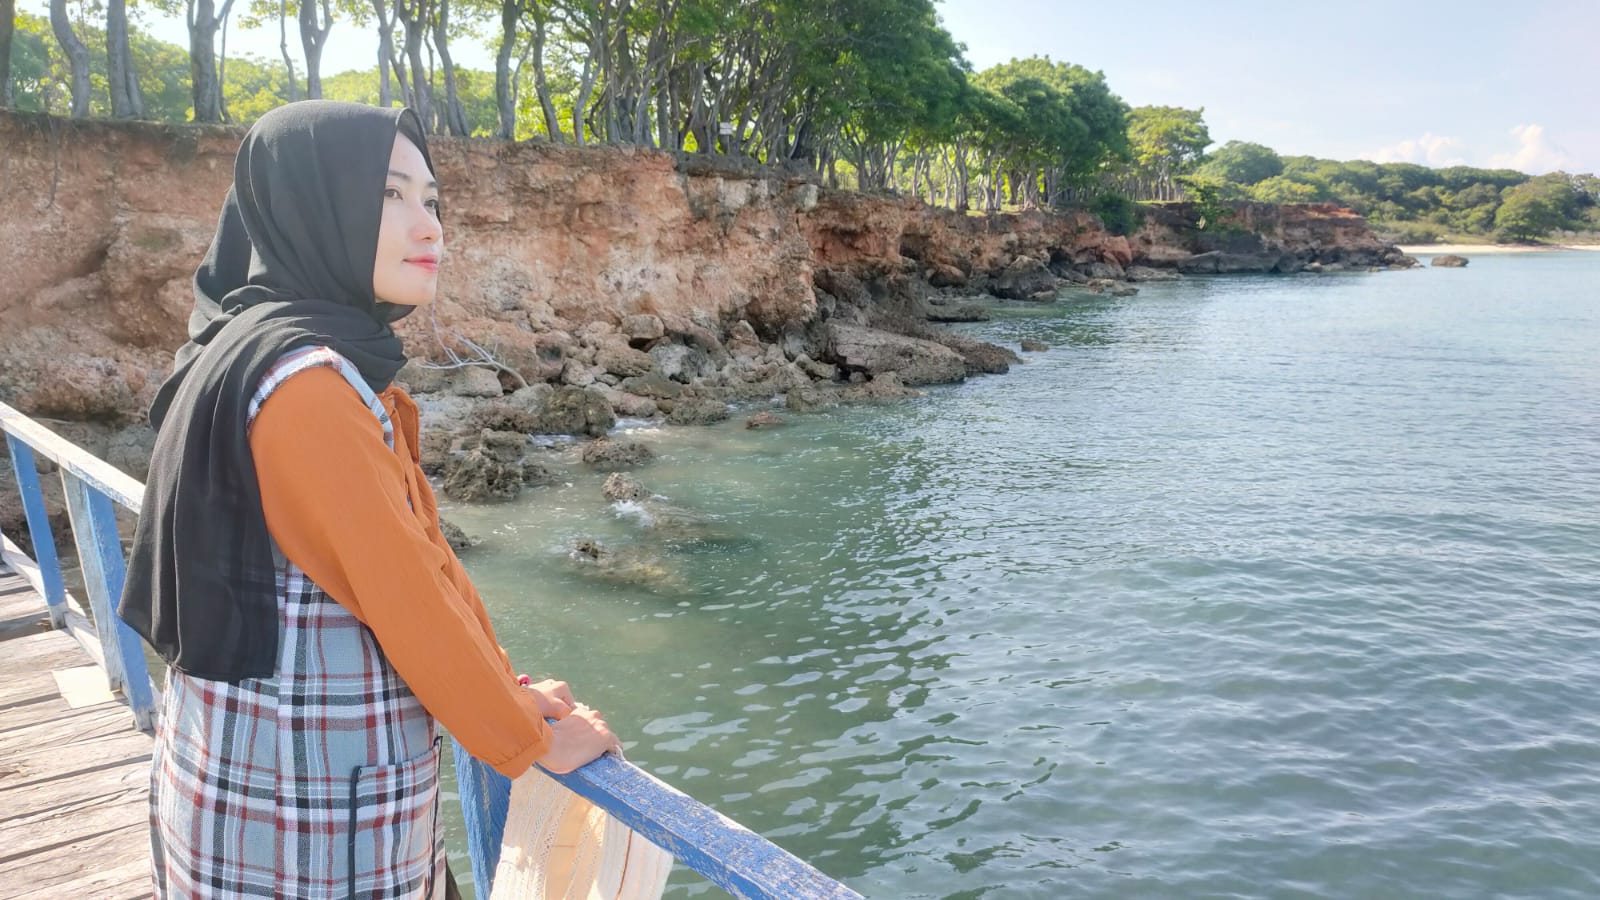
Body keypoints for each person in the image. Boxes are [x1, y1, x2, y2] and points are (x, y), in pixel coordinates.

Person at [117, 100, 618, 899]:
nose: (429, 228)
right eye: (388, 194)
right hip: (306, 818)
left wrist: (507, 688)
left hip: (236, 772)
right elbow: (407, 594)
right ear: (312, 207)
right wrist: (529, 743)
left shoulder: (241, 346)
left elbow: (418, 559)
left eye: (432, 200)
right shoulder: (307, 388)